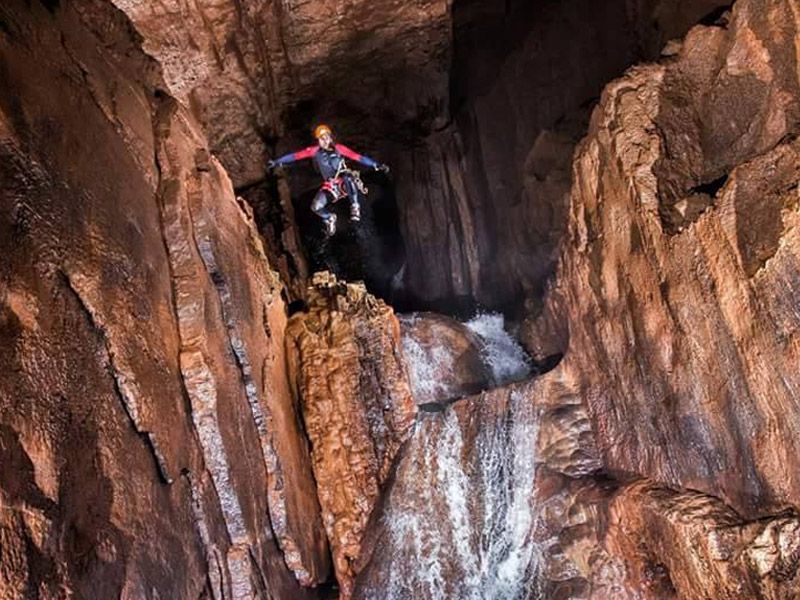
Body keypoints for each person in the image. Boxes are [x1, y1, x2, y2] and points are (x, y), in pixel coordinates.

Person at [268, 124, 389, 236]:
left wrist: (375, 165)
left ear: (331, 138)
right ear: (318, 141)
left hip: (344, 183)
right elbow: (295, 156)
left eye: (326, 137)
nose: (325, 141)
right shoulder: (314, 151)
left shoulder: (339, 149)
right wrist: (277, 162)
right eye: (322, 138)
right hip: (331, 186)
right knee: (315, 206)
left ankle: (355, 206)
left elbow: (358, 157)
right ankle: (329, 218)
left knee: (348, 176)